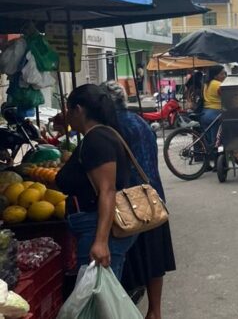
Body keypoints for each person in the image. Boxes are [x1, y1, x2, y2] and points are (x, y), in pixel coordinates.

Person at [101, 82, 175, 319]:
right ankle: (155, 311)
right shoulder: (139, 121)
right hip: (153, 198)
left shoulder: (113, 127)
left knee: (132, 261)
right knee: (154, 259)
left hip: (131, 203)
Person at [55, 84, 136, 280]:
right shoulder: (102, 135)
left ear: (79, 110)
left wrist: (100, 241)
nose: (67, 115)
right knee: (101, 300)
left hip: (98, 227)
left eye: (68, 109)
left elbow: (107, 190)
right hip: (97, 226)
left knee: (97, 301)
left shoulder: (97, 139)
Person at [201, 65, 226, 148]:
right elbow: (228, 96)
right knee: (216, 142)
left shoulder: (207, 83)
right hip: (215, 114)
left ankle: (207, 158)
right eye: (222, 74)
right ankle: (218, 159)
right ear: (215, 75)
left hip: (205, 114)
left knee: (208, 142)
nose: (224, 76)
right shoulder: (218, 84)